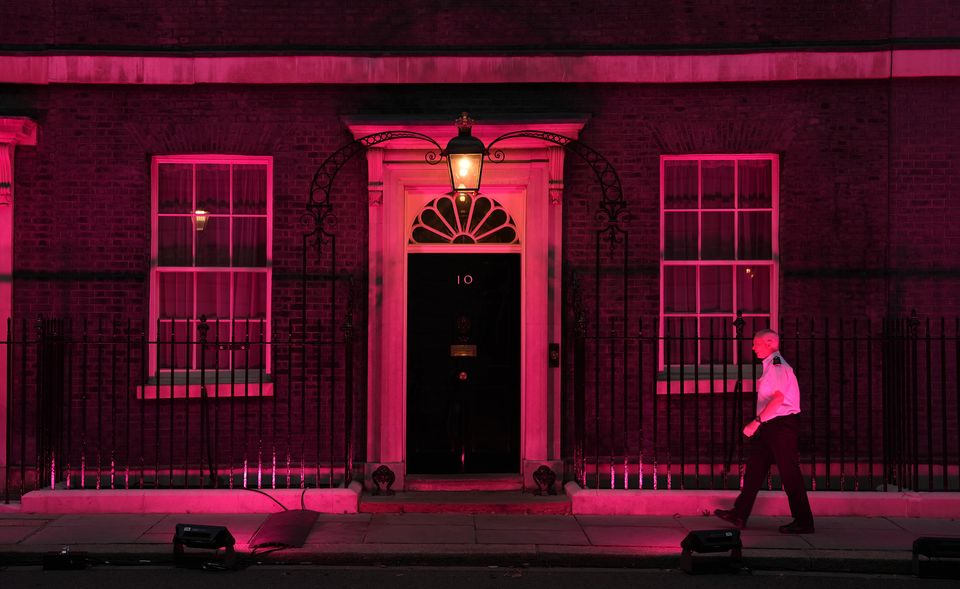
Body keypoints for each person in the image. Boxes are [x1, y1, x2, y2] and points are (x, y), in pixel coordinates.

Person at [714, 328, 815, 534]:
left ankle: (804, 521)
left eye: (756, 343)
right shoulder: (771, 365)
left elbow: (778, 399)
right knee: (755, 469)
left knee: (789, 473)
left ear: (770, 343)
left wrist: (756, 422)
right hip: (773, 426)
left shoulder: (777, 366)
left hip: (781, 425)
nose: (752, 347)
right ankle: (739, 513)